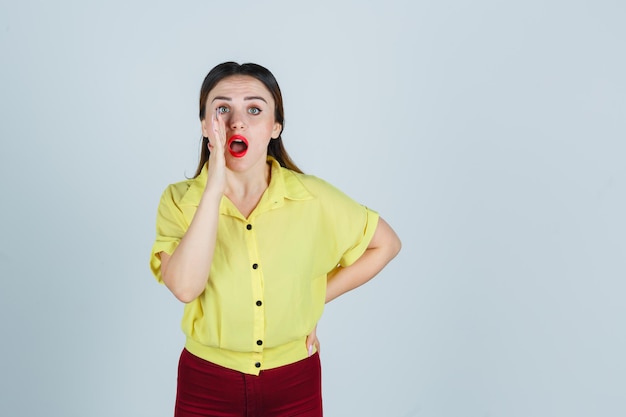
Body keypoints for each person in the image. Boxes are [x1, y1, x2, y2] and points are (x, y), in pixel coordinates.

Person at [150, 61, 401, 417]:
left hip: (294, 380)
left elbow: (386, 244)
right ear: (206, 125)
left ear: (275, 127)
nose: (237, 122)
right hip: (206, 381)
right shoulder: (178, 200)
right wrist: (214, 189)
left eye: (254, 109)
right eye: (222, 109)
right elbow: (185, 288)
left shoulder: (312, 197)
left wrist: (313, 299)